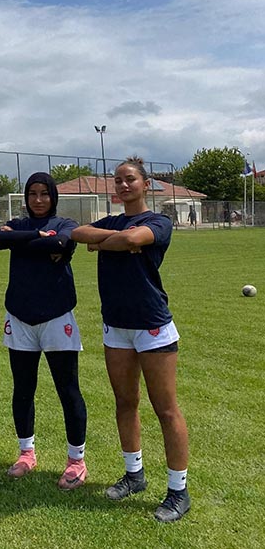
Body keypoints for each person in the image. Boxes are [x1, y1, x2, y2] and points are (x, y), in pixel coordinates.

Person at [71, 156, 190, 523]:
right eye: (118, 180)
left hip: (151, 324)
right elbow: (78, 233)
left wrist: (108, 243)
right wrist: (116, 241)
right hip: (116, 326)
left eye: (130, 180)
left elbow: (135, 238)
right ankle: (134, 475)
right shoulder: (112, 222)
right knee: (125, 402)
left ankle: (178, 491)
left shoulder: (159, 221)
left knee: (166, 409)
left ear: (145, 185)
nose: (123, 185)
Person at [0, 173, 88, 490]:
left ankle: (76, 461)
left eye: (44, 193)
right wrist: (36, 237)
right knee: (23, 389)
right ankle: (26, 454)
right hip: (19, 317)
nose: (38, 199)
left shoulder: (65, 223)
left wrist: (23, 241)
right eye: (32, 193)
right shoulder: (18, 224)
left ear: (53, 196)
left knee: (68, 390)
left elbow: (60, 242)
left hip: (57, 316)